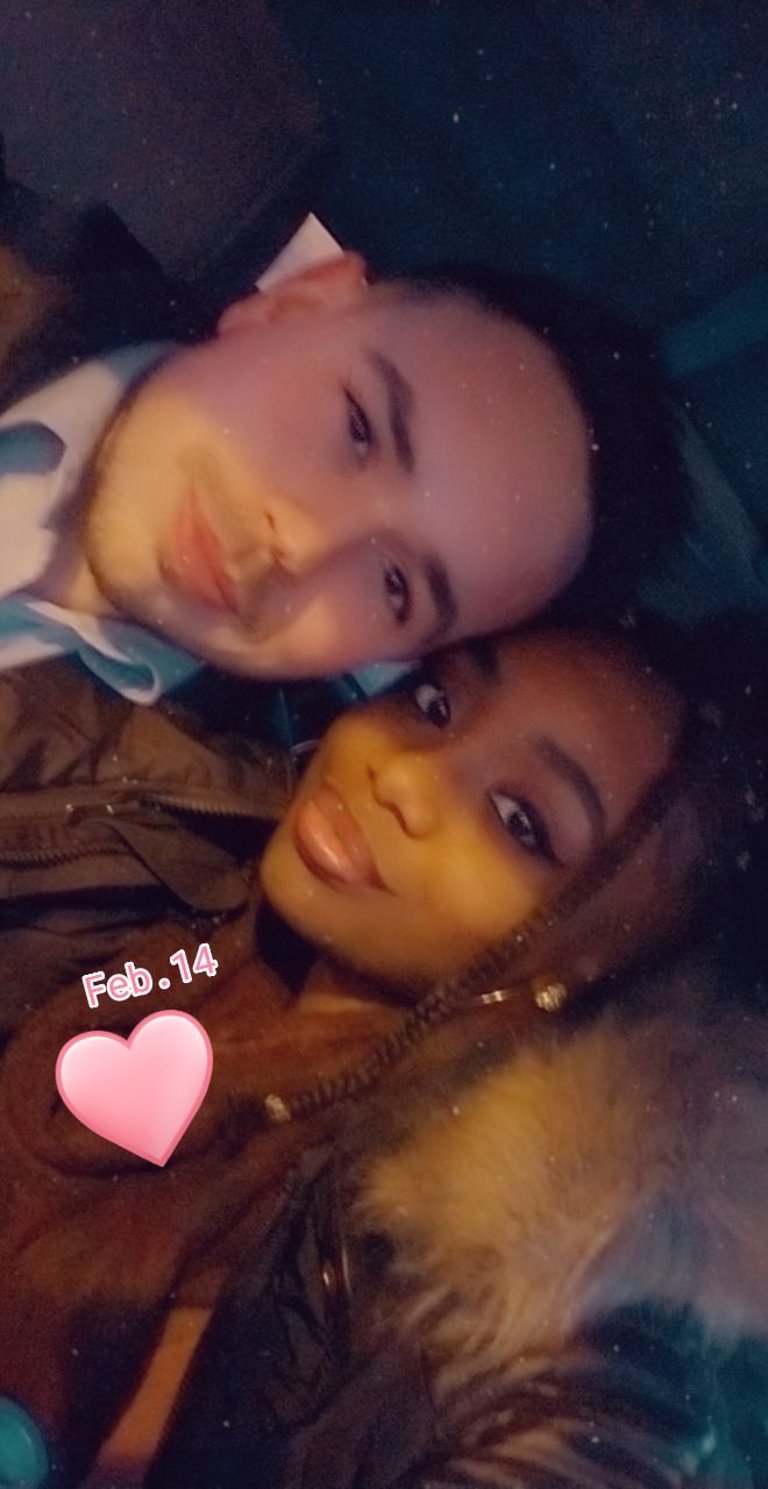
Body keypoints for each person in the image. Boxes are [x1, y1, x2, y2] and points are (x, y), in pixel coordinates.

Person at [0, 615, 763, 1487]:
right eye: (435, 702)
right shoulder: (180, 869)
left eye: (519, 819)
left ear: (597, 969)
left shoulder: (467, 1265)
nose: (402, 774)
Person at [0, 149, 690, 706]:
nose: (303, 544)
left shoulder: (187, 828)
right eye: (360, 428)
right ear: (293, 305)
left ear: (400, 658)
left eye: (395, 585)